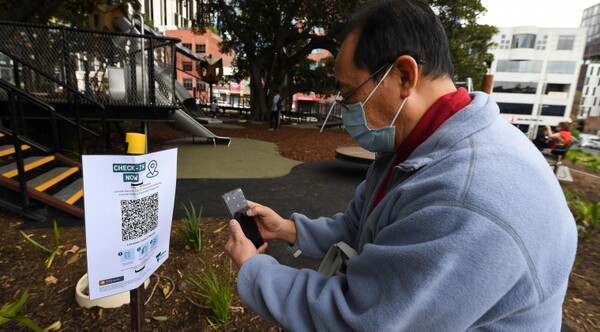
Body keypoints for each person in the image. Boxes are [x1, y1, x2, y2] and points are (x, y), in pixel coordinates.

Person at [225, 0, 577, 330]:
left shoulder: (464, 201)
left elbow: (360, 318)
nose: (346, 107)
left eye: (349, 92)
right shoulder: (412, 145)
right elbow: (358, 225)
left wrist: (255, 271)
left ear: (404, 76)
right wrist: (288, 230)